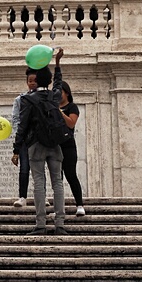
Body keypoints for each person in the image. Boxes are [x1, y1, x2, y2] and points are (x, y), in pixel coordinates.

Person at [12, 48, 67, 236]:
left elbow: (23, 126)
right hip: (55, 144)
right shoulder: (55, 96)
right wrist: (57, 64)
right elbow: (59, 83)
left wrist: (16, 149)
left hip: (36, 146)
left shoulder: (28, 99)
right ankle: (59, 223)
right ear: (49, 80)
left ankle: (41, 224)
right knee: (57, 183)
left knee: (39, 183)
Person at [11, 68, 38, 207]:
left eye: (35, 81)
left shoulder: (42, 98)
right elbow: (15, 119)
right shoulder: (20, 99)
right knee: (24, 168)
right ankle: (22, 196)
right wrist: (19, 135)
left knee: (38, 168)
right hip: (23, 139)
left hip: (38, 138)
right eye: (30, 81)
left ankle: (41, 195)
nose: (32, 83)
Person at [59, 81, 85, 216]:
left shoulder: (72, 107)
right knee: (57, 178)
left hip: (68, 145)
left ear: (66, 92)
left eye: (60, 92)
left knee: (71, 174)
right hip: (56, 145)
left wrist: (60, 113)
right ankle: (59, 208)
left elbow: (71, 123)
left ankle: (79, 204)